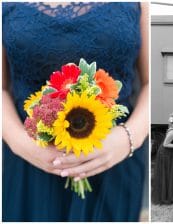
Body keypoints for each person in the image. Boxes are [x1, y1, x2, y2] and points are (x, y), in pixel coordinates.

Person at [3, 2, 149, 221]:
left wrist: (128, 137)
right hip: (28, 161)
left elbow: (151, 82)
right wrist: (20, 143)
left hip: (115, 159)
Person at [152, 113, 173, 204]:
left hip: (171, 153)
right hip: (165, 154)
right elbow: (165, 144)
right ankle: (165, 197)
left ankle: (170, 195)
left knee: (170, 174)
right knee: (166, 174)